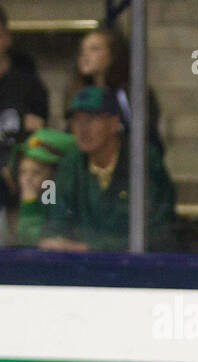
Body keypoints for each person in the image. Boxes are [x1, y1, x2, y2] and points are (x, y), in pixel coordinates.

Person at [39, 86, 175, 252]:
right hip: (80, 269)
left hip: (138, 269)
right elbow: (55, 220)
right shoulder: (71, 163)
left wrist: (89, 247)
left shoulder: (143, 160)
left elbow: (157, 231)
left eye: (91, 119)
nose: (82, 129)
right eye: (76, 120)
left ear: (114, 123)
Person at [69, 26, 162, 151]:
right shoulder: (78, 92)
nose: (85, 56)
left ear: (113, 54)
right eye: (82, 50)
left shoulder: (131, 93)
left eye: (94, 49)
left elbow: (146, 136)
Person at [0, 5, 50, 204]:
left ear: (6, 37)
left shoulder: (28, 83)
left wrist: (12, 164)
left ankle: (40, 229)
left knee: (40, 178)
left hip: (20, 170)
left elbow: (40, 133)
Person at [5, 127, 74, 246]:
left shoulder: (56, 200)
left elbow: (32, 239)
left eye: (36, 172)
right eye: (22, 172)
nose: (27, 179)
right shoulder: (18, 198)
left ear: (55, 174)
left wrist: (29, 204)